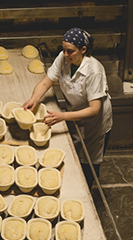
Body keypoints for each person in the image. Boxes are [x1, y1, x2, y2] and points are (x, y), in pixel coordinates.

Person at [22, 27, 112, 188]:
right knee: (73, 156)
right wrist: (33, 99)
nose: (65, 54)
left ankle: (86, 192)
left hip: (94, 124)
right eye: (63, 50)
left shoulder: (94, 71)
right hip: (75, 113)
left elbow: (94, 109)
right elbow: (45, 82)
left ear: (83, 50)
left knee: (88, 165)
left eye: (70, 51)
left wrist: (62, 116)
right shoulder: (64, 58)